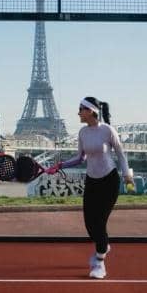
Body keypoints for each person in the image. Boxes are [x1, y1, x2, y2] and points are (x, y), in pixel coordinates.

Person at [47, 96, 134, 279]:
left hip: (109, 181)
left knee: (100, 222)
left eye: (81, 109)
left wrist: (127, 176)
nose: (78, 113)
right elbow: (80, 158)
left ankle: (100, 263)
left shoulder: (107, 130)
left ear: (90, 111)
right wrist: (61, 165)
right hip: (92, 180)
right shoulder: (83, 133)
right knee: (89, 224)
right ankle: (103, 245)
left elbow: (121, 154)